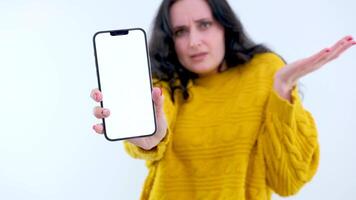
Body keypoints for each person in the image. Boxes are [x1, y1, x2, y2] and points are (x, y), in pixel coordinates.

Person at [91, 0, 355, 199]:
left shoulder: (264, 71)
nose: (194, 41)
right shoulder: (165, 84)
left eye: (204, 25)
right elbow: (157, 127)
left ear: (225, 26)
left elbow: (289, 180)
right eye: (180, 31)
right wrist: (150, 139)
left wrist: (283, 89)